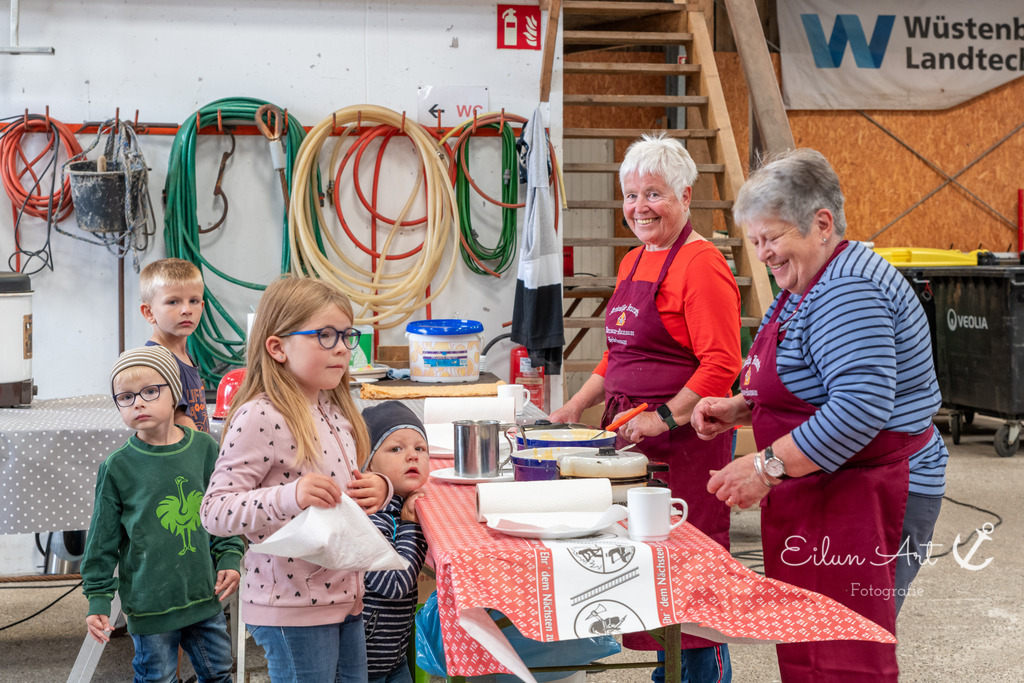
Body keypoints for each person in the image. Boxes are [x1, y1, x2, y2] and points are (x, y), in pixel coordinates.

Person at [692, 148, 948, 681]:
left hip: (871, 495)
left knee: (842, 652)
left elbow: (858, 408)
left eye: (771, 238)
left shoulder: (848, 289)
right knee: (815, 643)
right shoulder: (807, 281)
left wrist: (763, 468)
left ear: (822, 224)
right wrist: (741, 408)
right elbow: (811, 377)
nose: (762, 253)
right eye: (755, 241)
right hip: (831, 488)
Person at [548, 132, 741, 683]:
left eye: (653, 194)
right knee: (649, 570)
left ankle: (701, 676)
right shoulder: (634, 260)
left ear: (685, 196)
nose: (639, 208)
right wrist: (575, 406)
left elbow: (722, 363)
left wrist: (666, 416)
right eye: (631, 196)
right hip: (635, 445)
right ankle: (668, 672)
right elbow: (619, 353)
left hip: (687, 445)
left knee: (692, 569)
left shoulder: (701, 265)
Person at [200, 275, 393, 683]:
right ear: (277, 347)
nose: (342, 348)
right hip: (291, 605)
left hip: (344, 597)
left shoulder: (336, 410)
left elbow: (347, 491)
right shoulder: (261, 415)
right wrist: (291, 496)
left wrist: (380, 488)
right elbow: (215, 512)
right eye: (325, 335)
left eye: (347, 335)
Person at [81, 345, 243, 682]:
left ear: (175, 395)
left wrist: (229, 556)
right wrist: (98, 599)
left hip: (204, 596)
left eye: (150, 391)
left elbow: (223, 511)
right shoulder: (117, 467)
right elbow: (101, 542)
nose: (138, 403)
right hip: (149, 606)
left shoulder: (205, 448)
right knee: (158, 678)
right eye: (126, 397)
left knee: (220, 674)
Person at [360, 401, 430, 683]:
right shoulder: (370, 516)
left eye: (420, 448)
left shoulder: (395, 506)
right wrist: (412, 526)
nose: (412, 455)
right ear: (368, 464)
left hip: (393, 656)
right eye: (396, 449)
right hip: (366, 665)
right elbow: (395, 583)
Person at [140, 257, 210, 432]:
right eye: (173, 302)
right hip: (187, 447)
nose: (187, 310)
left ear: (202, 306)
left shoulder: (184, 355)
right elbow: (182, 422)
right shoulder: (157, 361)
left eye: (194, 301)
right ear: (149, 312)